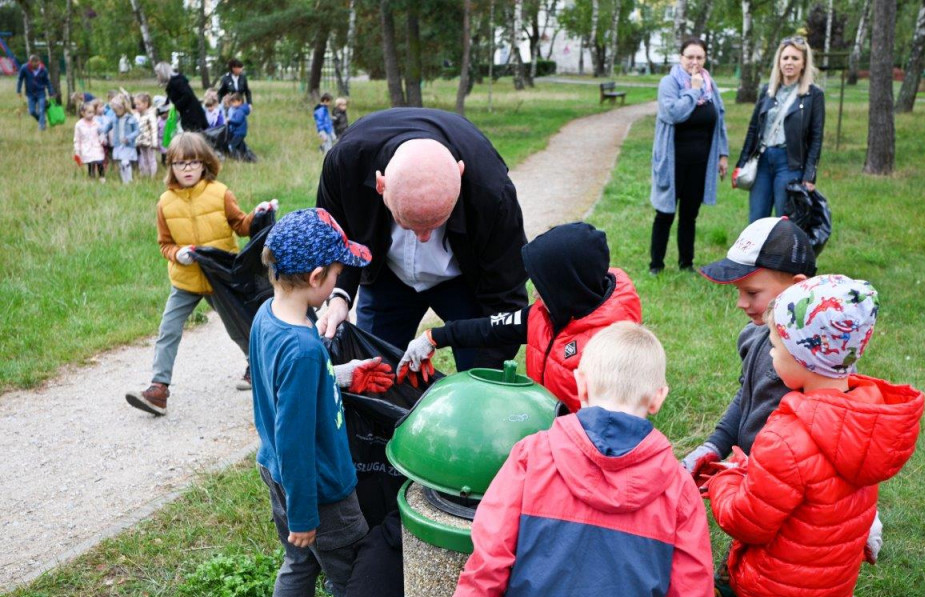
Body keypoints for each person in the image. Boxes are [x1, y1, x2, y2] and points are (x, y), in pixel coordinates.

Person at [449, 321, 714, 597]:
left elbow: (489, 557)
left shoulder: (532, 457)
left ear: (581, 382)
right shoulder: (680, 489)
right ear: (658, 397)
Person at [685, 217, 888, 597]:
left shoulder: (797, 363)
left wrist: (729, 476)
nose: (741, 304)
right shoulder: (776, 345)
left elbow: (755, 512)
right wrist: (715, 444)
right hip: (778, 499)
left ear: (795, 288)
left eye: (752, 293)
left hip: (776, 518)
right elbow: (745, 398)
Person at [705, 274, 925, 597]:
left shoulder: (784, 436)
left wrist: (726, 480)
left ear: (804, 357)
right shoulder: (865, 423)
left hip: (774, 595)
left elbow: (747, 522)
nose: (769, 355)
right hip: (828, 592)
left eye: (774, 346)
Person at [250, 207, 395, 597]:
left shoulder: (267, 317)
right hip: (322, 491)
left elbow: (284, 394)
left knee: (299, 562)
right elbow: (296, 440)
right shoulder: (304, 347)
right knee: (352, 578)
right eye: (335, 273)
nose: (338, 280)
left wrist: (340, 376)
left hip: (277, 476)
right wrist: (307, 515)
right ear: (316, 277)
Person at [316, 107, 529, 371]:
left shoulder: (492, 192)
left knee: (480, 374)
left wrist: (481, 381)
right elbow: (335, 236)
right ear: (381, 185)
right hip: (387, 276)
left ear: (460, 176)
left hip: (464, 282)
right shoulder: (346, 163)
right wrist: (340, 296)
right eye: (409, 224)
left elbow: (506, 297)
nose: (425, 238)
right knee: (374, 371)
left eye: (436, 223)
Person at [396, 222, 641, 411]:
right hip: (549, 426)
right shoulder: (545, 314)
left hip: (583, 447)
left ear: (568, 287)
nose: (534, 294)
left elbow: (614, 424)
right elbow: (492, 328)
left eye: (542, 287)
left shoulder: (612, 345)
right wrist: (433, 338)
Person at [125, 132, 274, 416]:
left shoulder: (220, 193)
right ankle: (158, 389)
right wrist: (176, 253)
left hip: (221, 277)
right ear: (171, 167)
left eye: (193, 163)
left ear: (205, 163)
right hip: (186, 279)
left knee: (239, 327)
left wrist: (259, 213)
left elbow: (241, 225)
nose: (188, 169)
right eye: (180, 164)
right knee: (168, 329)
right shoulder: (165, 202)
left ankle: (257, 368)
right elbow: (164, 244)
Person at [649, 37, 729, 275]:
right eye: (690, 57)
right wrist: (694, 92)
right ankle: (656, 264)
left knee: (689, 215)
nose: (695, 62)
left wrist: (722, 155)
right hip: (673, 162)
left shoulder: (709, 83)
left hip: (700, 162)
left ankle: (686, 263)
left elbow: (719, 119)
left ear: (705, 59)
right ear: (680, 58)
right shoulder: (669, 83)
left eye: (699, 57)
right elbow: (674, 113)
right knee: (665, 214)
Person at [735, 36, 825, 222]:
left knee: (785, 222)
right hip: (763, 160)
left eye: (795, 58)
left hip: (790, 164)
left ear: (804, 63)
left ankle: (781, 253)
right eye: (785, 58)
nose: (789, 63)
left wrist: (809, 175)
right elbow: (753, 128)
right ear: (779, 61)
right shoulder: (768, 91)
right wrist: (741, 163)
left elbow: (816, 138)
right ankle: (759, 252)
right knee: (756, 220)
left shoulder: (814, 95)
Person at [155, 61, 207, 133]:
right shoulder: (172, 83)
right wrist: (162, 108)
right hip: (186, 114)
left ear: (162, 73)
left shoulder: (177, 82)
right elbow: (171, 98)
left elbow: (187, 95)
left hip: (192, 115)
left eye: (157, 74)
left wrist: (174, 106)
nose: (157, 76)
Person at [101, 95, 139, 184]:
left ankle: (129, 180)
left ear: (123, 107)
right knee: (120, 163)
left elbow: (137, 131)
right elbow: (108, 126)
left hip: (128, 144)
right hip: (118, 144)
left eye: (116, 110)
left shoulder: (131, 118)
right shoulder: (114, 118)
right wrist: (102, 132)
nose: (114, 112)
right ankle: (124, 180)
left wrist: (129, 137)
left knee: (125, 162)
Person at [16, 54, 55, 131]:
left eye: (38, 64)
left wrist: (51, 93)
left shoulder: (43, 69)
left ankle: (42, 127)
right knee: (31, 111)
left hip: (41, 93)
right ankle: (42, 121)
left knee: (41, 110)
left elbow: (47, 82)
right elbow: (20, 79)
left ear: (39, 62)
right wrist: (18, 90)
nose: (36, 65)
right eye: (34, 64)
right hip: (30, 94)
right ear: (30, 62)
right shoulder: (24, 68)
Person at [73, 103, 106, 182]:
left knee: (99, 161)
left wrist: (103, 140)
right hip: (86, 147)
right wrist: (77, 150)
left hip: (97, 146)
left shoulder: (97, 123)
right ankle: (92, 178)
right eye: (89, 112)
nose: (92, 115)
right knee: (91, 163)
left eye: (93, 112)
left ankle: (102, 177)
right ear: (83, 113)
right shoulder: (79, 125)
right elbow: (77, 139)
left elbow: (101, 133)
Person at [134, 92, 159, 179]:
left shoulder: (150, 115)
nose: (137, 106)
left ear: (145, 104)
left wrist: (154, 142)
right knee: (143, 158)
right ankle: (144, 173)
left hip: (149, 141)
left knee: (151, 158)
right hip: (141, 141)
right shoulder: (137, 116)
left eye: (138, 104)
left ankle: (152, 175)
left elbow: (154, 129)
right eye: (135, 104)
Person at [225, 92, 251, 160]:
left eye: (234, 102)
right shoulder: (239, 110)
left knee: (231, 145)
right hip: (240, 132)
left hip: (238, 133)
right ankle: (245, 157)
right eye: (232, 102)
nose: (233, 104)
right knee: (240, 146)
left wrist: (229, 120)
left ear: (240, 101)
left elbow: (238, 121)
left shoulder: (240, 111)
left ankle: (235, 158)